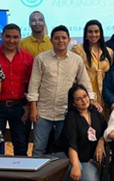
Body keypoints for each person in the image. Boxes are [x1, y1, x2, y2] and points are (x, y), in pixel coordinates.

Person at [27, 26, 96, 157]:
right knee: (38, 149)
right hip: (43, 112)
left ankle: (59, 177)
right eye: (57, 38)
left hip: (65, 112)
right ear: (51, 40)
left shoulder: (77, 60)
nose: (60, 41)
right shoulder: (41, 58)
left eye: (64, 38)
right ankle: (36, 177)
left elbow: (84, 82)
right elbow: (34, 84)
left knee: (63, 149)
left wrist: (90, 101)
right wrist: (33, 107)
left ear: (69, 40)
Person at [56, 84, 107, 181]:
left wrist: (101, 142)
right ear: (73, 103)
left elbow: (106, 131)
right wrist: (75, 165)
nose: (83, 100)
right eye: (79, 99)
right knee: (75, 166)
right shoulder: (71, 117)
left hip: (85, 157)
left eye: (85, 96)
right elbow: (71, 143)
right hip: (65, 154)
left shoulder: (95, 113)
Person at [0, 24, 34, 156]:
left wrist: (28, 105)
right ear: (1, 36)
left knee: (21, 145)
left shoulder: (27, 57)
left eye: (15, 37)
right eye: (8, 36)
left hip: (20, 107)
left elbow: (32, 84)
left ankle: (19, 176)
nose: (11, 40)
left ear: (20, 38)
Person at [70, 20, 113, 113]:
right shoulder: (77, 50)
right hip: (85, 91)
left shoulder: (109, 52)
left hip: (105, 92)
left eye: (96, 31)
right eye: (90, 32)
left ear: (101, 33)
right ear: (85, 34)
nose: (93, 34)